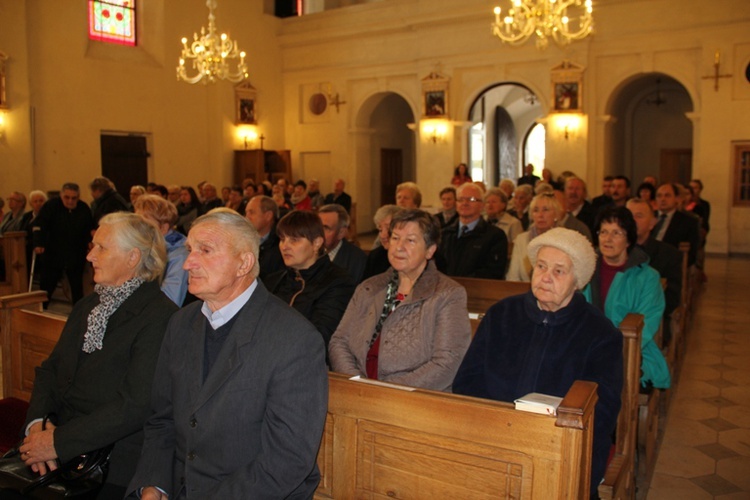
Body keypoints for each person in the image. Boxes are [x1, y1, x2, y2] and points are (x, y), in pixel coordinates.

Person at [127, 210, 328, 499]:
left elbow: (287, 460)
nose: (187, 264)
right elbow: (162, 418)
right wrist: (153, 485)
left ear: (243, 263)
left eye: (205, 251)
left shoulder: (294, 339)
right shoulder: (181, 323)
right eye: (189, 250)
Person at [453, 227, 623, 499]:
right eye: (541, 266)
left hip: (560, 449)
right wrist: (491, 431)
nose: (545, 277)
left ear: (577, 280)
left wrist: (544, 444)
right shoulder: (502, 314)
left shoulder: (601, 334)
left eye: (559, 271)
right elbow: (467, 382)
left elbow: (601, 414)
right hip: (492, 438)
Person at [20, 212, 178, 499]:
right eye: (92, 246)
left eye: (101, 248)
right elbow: (51, 371)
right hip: (59, 445)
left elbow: (134, 405)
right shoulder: (88, 305)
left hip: (111, 461)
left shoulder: (160, 316)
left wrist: (58, 441)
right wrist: (37, 426)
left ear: (133, 258)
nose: (91, 256)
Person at [330, 209, 471, 391]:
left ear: (430, 250)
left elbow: (448, 362)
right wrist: (356, 383)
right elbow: (339, 341)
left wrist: (386, 392)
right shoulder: (369, 287)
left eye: (410, 240)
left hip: (413, 400)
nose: (399, 247)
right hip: (358, 392)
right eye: (395, 238)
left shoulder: (448, 294)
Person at [583, 206, 670, 390]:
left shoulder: (647, 277)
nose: (608, 239)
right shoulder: (585, 270)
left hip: (632, 350)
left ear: (629, 239)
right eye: (603, 232)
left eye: (616, 233)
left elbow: (645, 325)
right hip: (588, 347)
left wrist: (610, 352)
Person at [264, 210, 356, 352]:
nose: (284, 246)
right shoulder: (273, 280)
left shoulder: (338, 283)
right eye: (282, 239)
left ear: (317, 243)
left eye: (294, 240)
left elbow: (319, 338)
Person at [33, 183, 94, 308]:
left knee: (77, 288)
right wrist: (39, 243)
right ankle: (40, 311)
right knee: (47, 287)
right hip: (53, 254)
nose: (70, 201)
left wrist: (90, 241)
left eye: (74, 198)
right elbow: (39, 226)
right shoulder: (51, 206)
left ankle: (78, 314)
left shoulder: (83, 208)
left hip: (75, 254)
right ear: (61, 196)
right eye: (67, 197)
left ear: (78, 197)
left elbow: (89, 228)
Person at [437, 183, 507, 279]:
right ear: (456, 204)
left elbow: (493, 272)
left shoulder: (495, 236)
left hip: (478, 290)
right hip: (444, 289)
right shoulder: (444, 234)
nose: (465, 203)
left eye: (472, 199)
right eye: (461, 199)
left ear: (482, 205)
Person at [134, 194, 189, 306]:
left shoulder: (179, 255)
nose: (137, 228)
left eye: (144, 224)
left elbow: (170, 301)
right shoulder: (144, 247)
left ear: (163, 228)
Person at [507, 193, 562, 282]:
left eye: (545, 210)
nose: (540, 215)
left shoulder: (564, 240)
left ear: (556, 215)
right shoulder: (521, 240)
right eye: (536, 210)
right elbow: (513, 277)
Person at [652, 183, 701, 267]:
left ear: (677, 199)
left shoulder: (688, 222)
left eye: (667, 196)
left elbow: (691, 255)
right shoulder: (649, 216)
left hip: (669, 265)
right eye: (659, 196)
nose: (662, 199)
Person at [319, 203, 367, 283]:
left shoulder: (357, 260)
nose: (318, 233)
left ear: (341, 233)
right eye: (317, 227)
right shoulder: (308, 253)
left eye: (326, 228)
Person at [244, 195, 284, 281]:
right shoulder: (242, 239)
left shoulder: (281, 244)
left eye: (251, 212)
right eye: (246, 212)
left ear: (268, 216)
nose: (246, 217)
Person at [363, 204, 401, 280]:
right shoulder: (376, 256)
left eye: (388, 228)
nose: (383, 236)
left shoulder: (409, 256)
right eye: (380, 230)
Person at [484, 187, 522, 253]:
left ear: (503, 205)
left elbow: (517, 248)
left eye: (494, 202)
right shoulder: (482, 221)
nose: (490, 205)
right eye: (487, 202)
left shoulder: (513, 223)